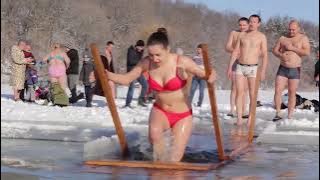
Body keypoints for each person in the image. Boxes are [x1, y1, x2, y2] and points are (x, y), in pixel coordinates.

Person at [106, 31, 216, 162]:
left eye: (158, 55)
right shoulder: (147, 62)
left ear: (168, 49)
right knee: (157, 147)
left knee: (174, 160)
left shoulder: (181, 61)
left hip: (182, 115)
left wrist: (212, 74)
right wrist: (106, 74)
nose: (155, 59)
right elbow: (126, 79)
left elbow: (204, 73)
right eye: (151, 55)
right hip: (160, 110)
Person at [228, 14, 268, 127]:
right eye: (250, 21)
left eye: (254, 22)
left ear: (258, 24)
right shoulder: (242, 35)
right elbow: (235, 51)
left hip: (253, 67)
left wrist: (264, 70)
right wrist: (230, 67)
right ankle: (239, 118)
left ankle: (251, 117)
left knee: (252, 94)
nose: (252, 24)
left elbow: (265, 54)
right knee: (239, 92)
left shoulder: (261, 36)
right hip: (240, 66)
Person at [272, 20, 311, 120]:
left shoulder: (303, 38)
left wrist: (293, 48)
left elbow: (306, 52)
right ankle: (278, 113)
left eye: (293, 30)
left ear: (298, 28)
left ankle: (290, 115)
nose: (291, 31)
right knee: (278, 90)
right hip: (283, 68)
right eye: (289, 29)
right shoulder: (283, 38)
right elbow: (274, 50)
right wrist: (281, 55)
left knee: (292, 93)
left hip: (295, 69)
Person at [225, 17, 250, 117]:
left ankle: (243, 110)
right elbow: (227, 47)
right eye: (240, 25)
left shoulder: (250, 34)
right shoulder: (234, 33)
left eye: (244, 25)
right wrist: (235, 51)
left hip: (247, 63)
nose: (242, 27)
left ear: (248, 25)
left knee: (245, 88)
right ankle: (232, 110)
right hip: (236, 61)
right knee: (235, 87)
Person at [124, 40, 148, 107]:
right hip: (131, 71)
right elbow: (131, 61)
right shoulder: (131, 50)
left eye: (142, 48)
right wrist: (140, 61)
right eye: (141, 47)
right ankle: (127, 103)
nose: (142, 49)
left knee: (145, 85)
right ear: (137, 46)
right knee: (131, 87)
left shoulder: (140, 51)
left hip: (138, 70)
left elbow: (139, 60)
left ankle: (141, 100)